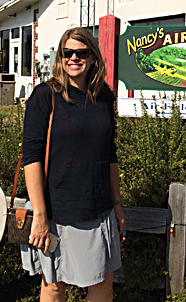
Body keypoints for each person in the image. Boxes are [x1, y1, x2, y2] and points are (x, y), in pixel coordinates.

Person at [21, 27, 124, 302]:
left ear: (92, 58)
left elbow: (110, 153)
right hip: (57, 211)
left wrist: (117, 202)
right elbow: (31, 156)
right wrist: (40, 215)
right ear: (60, 57)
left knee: (102, 284)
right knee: (54, 286)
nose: (74, 58)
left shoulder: (104, 97)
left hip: (99, 208)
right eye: (68, 53)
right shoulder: (45, 96)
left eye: (81, 52)